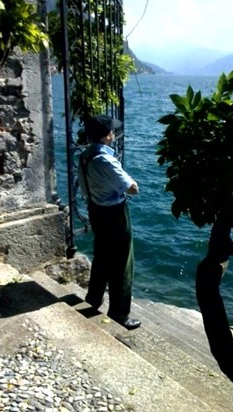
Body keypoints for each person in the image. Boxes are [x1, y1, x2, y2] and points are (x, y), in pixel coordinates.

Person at [78, 114, 141, 330]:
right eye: (112, 130)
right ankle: (119, 314)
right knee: (123, 264)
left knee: (102, 255)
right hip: (115, 213)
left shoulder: (86, 155)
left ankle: (94, 298)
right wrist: (132, 181)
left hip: (96, 210)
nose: (114, 133)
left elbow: (85, 187)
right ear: (106, 136)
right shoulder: (105, 159)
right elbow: (133, 189)